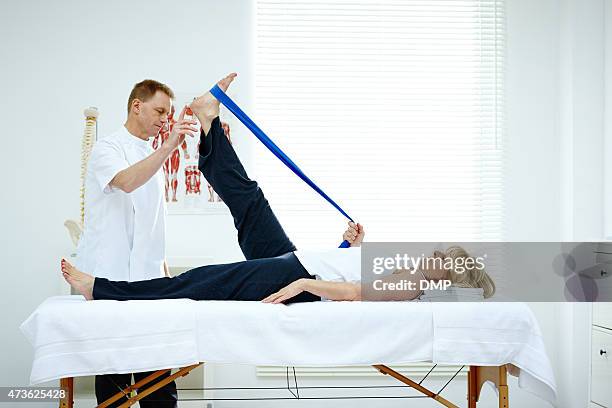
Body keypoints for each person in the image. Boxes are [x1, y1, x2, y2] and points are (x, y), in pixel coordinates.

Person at [63, 74, 495, 305]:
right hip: (299, 262)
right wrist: (346, 248)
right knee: (251, 201)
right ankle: (211, 124)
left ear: (447, 278)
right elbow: (345, 275)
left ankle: (98, 288)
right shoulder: (407, 273)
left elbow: (350, 293)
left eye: (445, 260)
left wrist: (302, 287)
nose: (437, 254)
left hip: (296, 275)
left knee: (196, 282)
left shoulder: (411, 284)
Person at [74, 78, 200, 407]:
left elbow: (151, 223)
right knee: (114, 379)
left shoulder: (151, 156)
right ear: (136, 106)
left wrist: (164, 272)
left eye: (168, 113)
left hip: (150, 280)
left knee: (157, 377)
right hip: (110, 277)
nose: (164, 119)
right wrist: (169, 146)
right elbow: (126, 182)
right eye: (159, 110)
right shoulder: (107, 149)